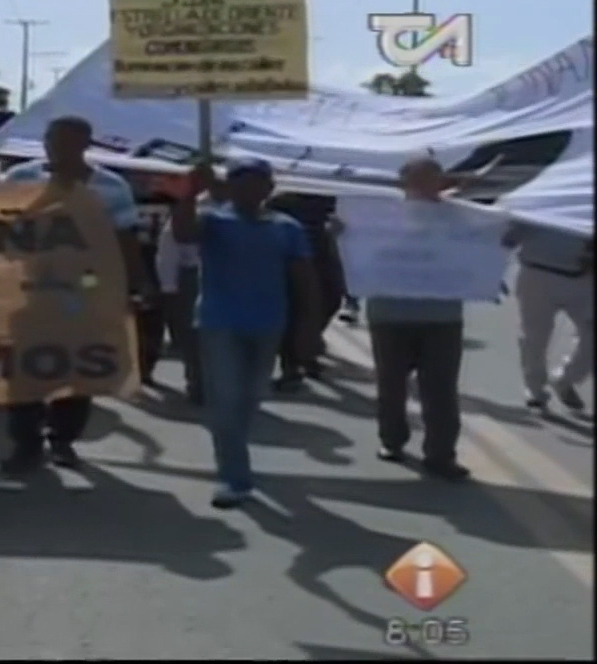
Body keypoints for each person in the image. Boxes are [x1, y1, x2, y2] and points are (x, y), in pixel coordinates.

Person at [0, 116, 154, 473]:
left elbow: (126, 240)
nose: (56, 146)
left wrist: (139, 283)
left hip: (87, 290)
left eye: (66, 140)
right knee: (25, 368)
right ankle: (25, 443)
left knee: (79, 365)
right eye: (51, 138)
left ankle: (63, 439)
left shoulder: (111, 187)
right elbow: (1, 230)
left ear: (85, 143)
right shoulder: (21, 179)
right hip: (30, 289)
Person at [170, 159, 321, 508]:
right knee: (224, 399)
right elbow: (183, 234)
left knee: (250, 396)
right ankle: (233, 477)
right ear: (230, 187)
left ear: (270, 188)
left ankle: (233, 451)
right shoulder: (214, 220)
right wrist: (189, 194)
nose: (251, 190)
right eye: (242, 183)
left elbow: (305, 279)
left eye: (258, 183)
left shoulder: (286, 228)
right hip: (219, 322)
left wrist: (309, 328)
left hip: (268, 324)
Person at [350, 158, 471, 481]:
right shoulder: (380, 217)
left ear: (442, 182)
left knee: (441, 389)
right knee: (391, 384)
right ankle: (392, 440)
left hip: (441, 317)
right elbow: (359, 253)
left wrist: (501, 242)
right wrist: (343, 235)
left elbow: (481, 247)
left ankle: (441, 454)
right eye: (416, 179)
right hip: (390, 315)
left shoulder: (461, 217)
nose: (423, 185)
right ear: (402, 183)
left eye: (431, 178)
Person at [504, 223, 593, 412]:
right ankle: (534, 389)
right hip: (536, 274)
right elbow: (508, 238)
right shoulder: (540, 199)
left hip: (583, 278)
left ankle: (565, 378)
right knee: (534, 336)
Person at [267, 192, 345, 391]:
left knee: (331, 301)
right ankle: (292, 364)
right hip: (291, 256)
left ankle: (305, 349)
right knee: (294, 309)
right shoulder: (285, 196)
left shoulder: (327, 194)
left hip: (321, 253)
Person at [154, 209, 202, 403]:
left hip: (231, 276)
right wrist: (169, 288)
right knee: (192, 335)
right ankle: (198, 381)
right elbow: (169, 251)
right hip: (193, 276)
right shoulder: (194, 211)